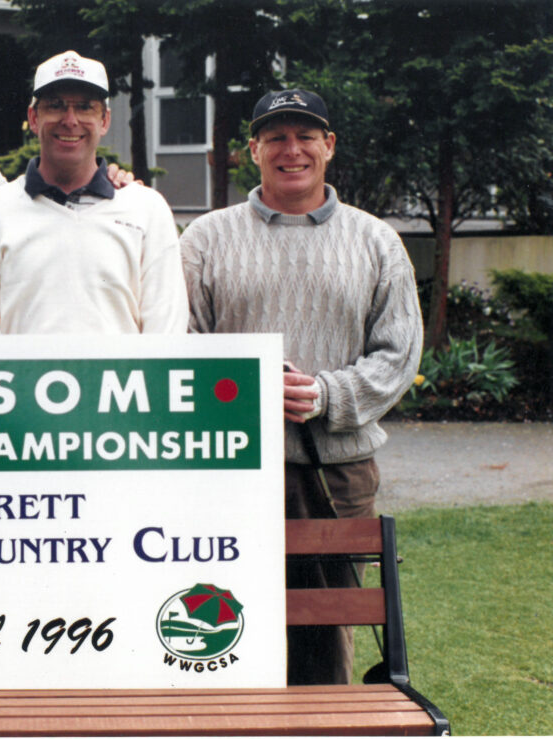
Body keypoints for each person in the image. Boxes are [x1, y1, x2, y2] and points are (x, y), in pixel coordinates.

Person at [180, 89, 423, 685]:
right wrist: (239, 394)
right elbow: (181, 342)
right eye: (276, 137)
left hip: (335, 470)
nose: (292, 150)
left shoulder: (375, 241)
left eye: (305, 136)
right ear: (253, 150)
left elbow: (399, 352)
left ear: (328, 146)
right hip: (229, 467)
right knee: (218, 630)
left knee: (324, 634)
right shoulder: (204, 239)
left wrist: (326, 395)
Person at [0, 51, 187, 334]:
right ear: (34, 117)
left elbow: (166, 335)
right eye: (55, 105)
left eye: (85, 107)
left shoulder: (148, 210)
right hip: (21, 380)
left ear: (104, 120)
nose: (70, 119)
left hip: (124, 380)